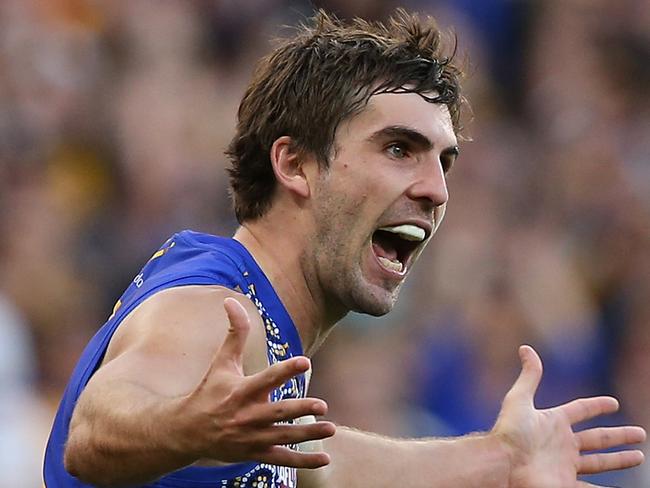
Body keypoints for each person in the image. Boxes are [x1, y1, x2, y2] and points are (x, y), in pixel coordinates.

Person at [44, 9, 645, 488]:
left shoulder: (262, 351)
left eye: (445, 161)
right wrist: (187, 425)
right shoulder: (220, 312)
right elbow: (93, 432)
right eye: (398, 149)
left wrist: (501, 461)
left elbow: (324, 464)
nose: (437, 190)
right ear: (295, 163)